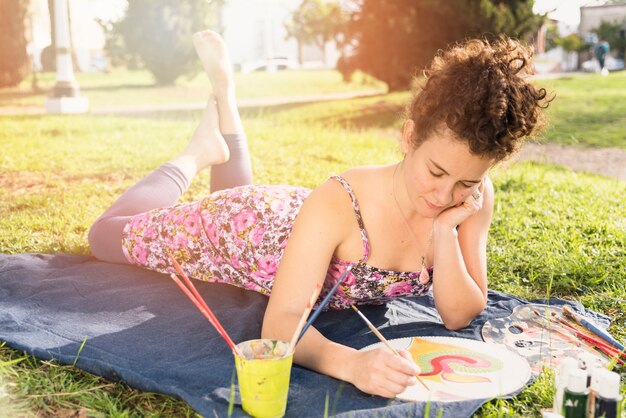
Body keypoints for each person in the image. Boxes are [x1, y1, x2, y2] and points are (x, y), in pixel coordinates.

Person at [89, 30, 550, 398]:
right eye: (435, 171)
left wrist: (447, 234)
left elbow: (460, 313)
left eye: (466, 182)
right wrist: (351, 364)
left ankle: (225, 110)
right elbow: (281, 323)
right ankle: (194, 155)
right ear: (410, 136)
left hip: (299, 224)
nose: (444, 194)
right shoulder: (341, 199)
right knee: (104, 238)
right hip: (249, 231)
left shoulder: (469, 200)